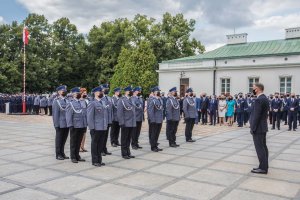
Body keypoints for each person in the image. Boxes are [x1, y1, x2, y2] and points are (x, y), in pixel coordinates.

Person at [250, 83, 269, 174]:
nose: (253, 90)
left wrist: (252, 127)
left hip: (258, 128)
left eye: (253, 88)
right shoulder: (265, 98)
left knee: (260, 148)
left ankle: (263, 168)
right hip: (263, 127)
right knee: (263, 147)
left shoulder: (258, 100)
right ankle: (263, 166)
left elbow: (256, 115)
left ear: (257, 89)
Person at [87, 86, 107, 167]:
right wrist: (92, 128)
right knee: (95, 144)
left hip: (102, 127)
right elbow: (89, 117)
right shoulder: (92, 103)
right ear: (95, 93)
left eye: (102, 92)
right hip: (96, 127)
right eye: (100, 92)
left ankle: (99, 160)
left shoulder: (103, 102)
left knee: (100, 144)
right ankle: (95, 161)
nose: (101, 93)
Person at [66, 87, 87, 163]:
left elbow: (84, 114)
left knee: (79, 141)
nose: (78, 94)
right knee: (73, 142)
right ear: (73, 94)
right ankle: (73, 156)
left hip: (81, 124)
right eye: (77, 93)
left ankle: (77, 155)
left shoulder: (81, 102)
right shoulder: (70, 103)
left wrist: (85, 124)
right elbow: (68, 116)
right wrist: (70, 125)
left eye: (79, 93)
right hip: (74, 125)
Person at [117, 86, 136, 159]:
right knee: (124, 139)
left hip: (131, 123)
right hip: (125, 123)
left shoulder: (131, 99)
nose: (131, 92)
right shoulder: (122, 100)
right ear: (126, 92)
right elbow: (119, 113)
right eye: (130, 91)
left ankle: (128, 152)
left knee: (129, 138)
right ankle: (124, 153)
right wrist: (122, 123)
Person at [52, 85, 69, 160]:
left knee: (64, 139)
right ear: (59, 92)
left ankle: (62, 153)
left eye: (65, 90)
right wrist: (56, 125)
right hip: (60, 124)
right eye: (63, 90)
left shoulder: (67, 100)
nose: (64, 91)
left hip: (66, 124)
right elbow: (55, 114)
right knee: (59, 140)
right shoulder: (56, 101)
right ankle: (58, 154)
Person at [148, 86, 164, 152]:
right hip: (154, 120)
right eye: (158, 91)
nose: (159, 92)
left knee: (157, 134)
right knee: (153, 134)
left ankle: (156, 145)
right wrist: (152, 120)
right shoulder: (152, 100)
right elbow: (150, 111)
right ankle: (153, 147)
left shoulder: (160, 99)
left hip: (159, 120)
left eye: (159, 91)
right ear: (154, 93)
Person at [101, 84, 112, 156]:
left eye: (107, 88)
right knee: (102, 136)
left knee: (106, 136)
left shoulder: (109, 98)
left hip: (108, 120)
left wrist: (110, 120)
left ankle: (104, 149)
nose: (107, 90)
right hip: (102, 121)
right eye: (105, 89)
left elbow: (110, 110)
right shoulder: (100, 98)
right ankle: (101, 150)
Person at [80, 88, 88, 152]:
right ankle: (79, 146)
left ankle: (82, 146)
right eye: (84, 93)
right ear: (81, 93)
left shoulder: (86, 101)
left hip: (85, 120)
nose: (85, 94)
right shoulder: (79, 101)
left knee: (84, 134)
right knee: (80, 134)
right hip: (80, 120)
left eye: (86, 93)